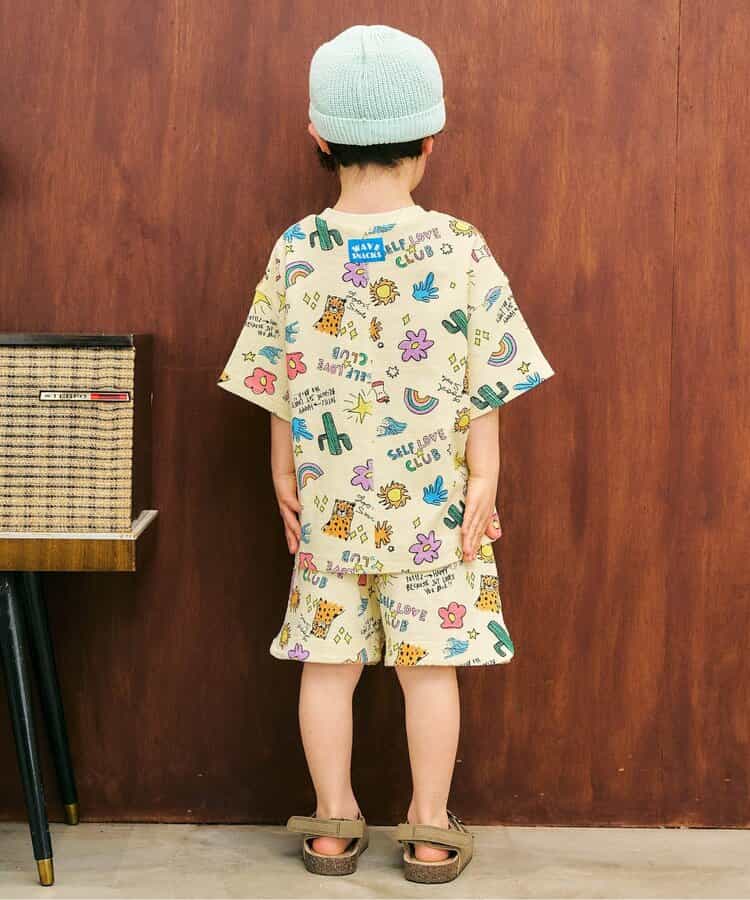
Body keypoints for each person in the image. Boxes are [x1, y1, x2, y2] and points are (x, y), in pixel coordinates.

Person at [217, 23, 556, 884]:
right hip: (435, 508)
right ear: (430, 138)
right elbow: (485, 377)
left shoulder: (298, 250)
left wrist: (282, 471)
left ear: (319, 136)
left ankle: (333, 821)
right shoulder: (459, 246)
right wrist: (486, 475)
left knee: (326, 666)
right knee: (429, 669)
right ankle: (430, 827)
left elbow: (278, 379)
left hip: (329, 506)